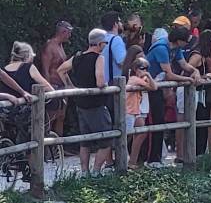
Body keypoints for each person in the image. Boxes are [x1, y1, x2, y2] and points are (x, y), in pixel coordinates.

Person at [57, 29, 113, 175]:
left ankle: (84, 172)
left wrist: (70, 86)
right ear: (100, 43)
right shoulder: (98, 58)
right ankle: (95, 172)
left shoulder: (77, 57)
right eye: (105, 43)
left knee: (85, 140)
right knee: (107, 139)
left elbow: (61, 70)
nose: (105, 46)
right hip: (96, 104)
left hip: (80, 103)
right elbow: (100, 81)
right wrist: (106, 86)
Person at [145, 26, 200, 166]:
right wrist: (187, 80)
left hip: (159, 85)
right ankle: (153, 159)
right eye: (186, 41)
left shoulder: (176, 49)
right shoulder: (161, 48)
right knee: (156, 120)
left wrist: (195, 72)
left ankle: (157, 157)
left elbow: (184, 65)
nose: (187, 44)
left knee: (162, 120)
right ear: (179, 40)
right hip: (150, 86)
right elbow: (169, 73)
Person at [41, 21, 73, 134]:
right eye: (69, 33)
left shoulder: (60, 46)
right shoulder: (50, 46)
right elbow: (45, 69)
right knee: (51, 116)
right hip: (53, 86)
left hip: (62, 86)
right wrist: (49, 89)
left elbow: (63, 69)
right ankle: (45, 145)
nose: (70, 36)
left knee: (61, 116)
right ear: (63, 32)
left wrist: (70, 85)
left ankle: (59, 146)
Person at [124, 57, 157, 168]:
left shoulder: (142, 79)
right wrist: (148, 78)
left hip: (136, 110)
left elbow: (153, 87)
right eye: (143, 68)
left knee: (141, 132)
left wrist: (148, 76)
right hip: (129, 110)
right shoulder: (133, 79)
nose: (145, 71)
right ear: (136, 69)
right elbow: (153, 87)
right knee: (125, 136)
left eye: (147, 68)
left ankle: (132, 161)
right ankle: (123, 162)